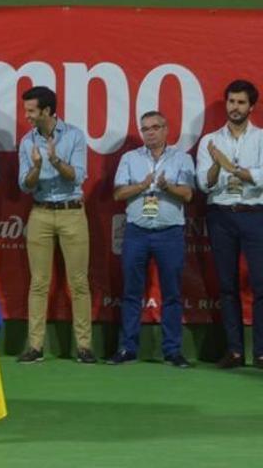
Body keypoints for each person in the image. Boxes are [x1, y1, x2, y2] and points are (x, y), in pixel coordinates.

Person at [16, 86, 95, 364]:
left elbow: (77, 177)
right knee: (38, 282)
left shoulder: (74, 136)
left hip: (72, 212)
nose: (26, 115)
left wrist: (55, 160)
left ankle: (84, 346)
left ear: (47, 111)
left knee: (79, 282)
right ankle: (35, 346)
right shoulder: (27, 141)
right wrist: (37, 168)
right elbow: (24, 186)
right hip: (40, 213)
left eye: (31, 110)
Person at [108, 111, 194, 368]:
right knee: (131, 293)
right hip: (137, 231)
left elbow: (188, 194)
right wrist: (143, 186)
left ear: (167, 129)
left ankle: (172, 351)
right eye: (145, 129)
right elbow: (118, 193)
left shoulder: (182, 159)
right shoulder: (129, 159)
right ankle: (127, 348)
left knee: (172, 294)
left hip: (170, 233)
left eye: (156, 127)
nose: (150, 132)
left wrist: (167, 187)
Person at [195, 79, 263, 369]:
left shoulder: (261, 139)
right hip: (221, 216)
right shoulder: (210, 140)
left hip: (254, 214)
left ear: (251, 106)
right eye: (231, 101)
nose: (234, 108)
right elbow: (203, 184)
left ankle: (260, 352)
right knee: (226, 285)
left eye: (241, 103)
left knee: (261, 285)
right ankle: (235, 350)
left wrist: (232, 167)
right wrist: (215, 165)